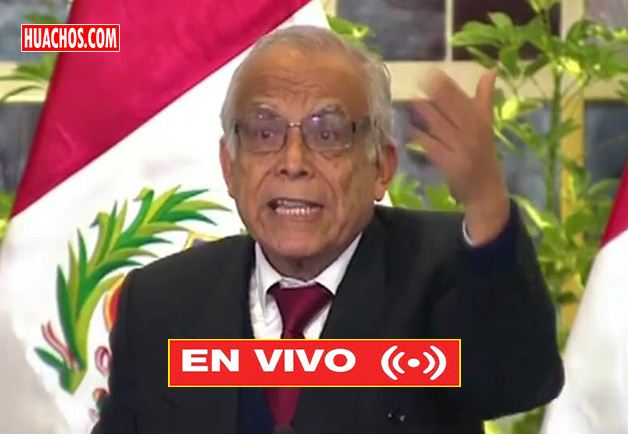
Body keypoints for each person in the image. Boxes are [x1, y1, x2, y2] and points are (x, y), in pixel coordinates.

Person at [93, 25, 563, 434]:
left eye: (328, 134)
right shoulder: (161, 302)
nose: (293, 162)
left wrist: (486, 203)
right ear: (229, 167)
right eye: (264, 133)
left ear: (382, 167)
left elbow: (515, 381)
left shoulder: (440, 271)